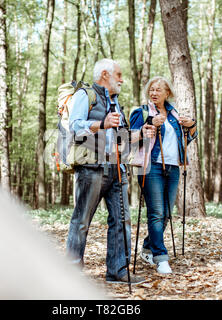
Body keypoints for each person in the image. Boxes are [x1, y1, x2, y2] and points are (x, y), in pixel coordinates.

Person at [65, 59, 155, 284]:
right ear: (105, 74)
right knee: (81, 221)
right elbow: (74, 126)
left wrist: (141, 133)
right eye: (119, 75)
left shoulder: (116, 103)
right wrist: (101, 124)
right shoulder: (85, 95)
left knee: (122, 220)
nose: (122, 79)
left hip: (118, 168)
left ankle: (118, 271)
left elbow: (122, 138)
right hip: (91, 168)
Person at [129, 76, 197, 274]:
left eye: (159, 89)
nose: (154, 93)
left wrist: (191, 124)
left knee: (166, 214)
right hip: (151, 167)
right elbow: (130, 138)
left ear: (167, 93)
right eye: (152, 89)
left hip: (173, 167)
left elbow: (189, 137)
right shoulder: (141, 112)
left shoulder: (175, 114)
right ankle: (161, 258)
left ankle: (148, 247)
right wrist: (151, 124)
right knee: (156, 213)